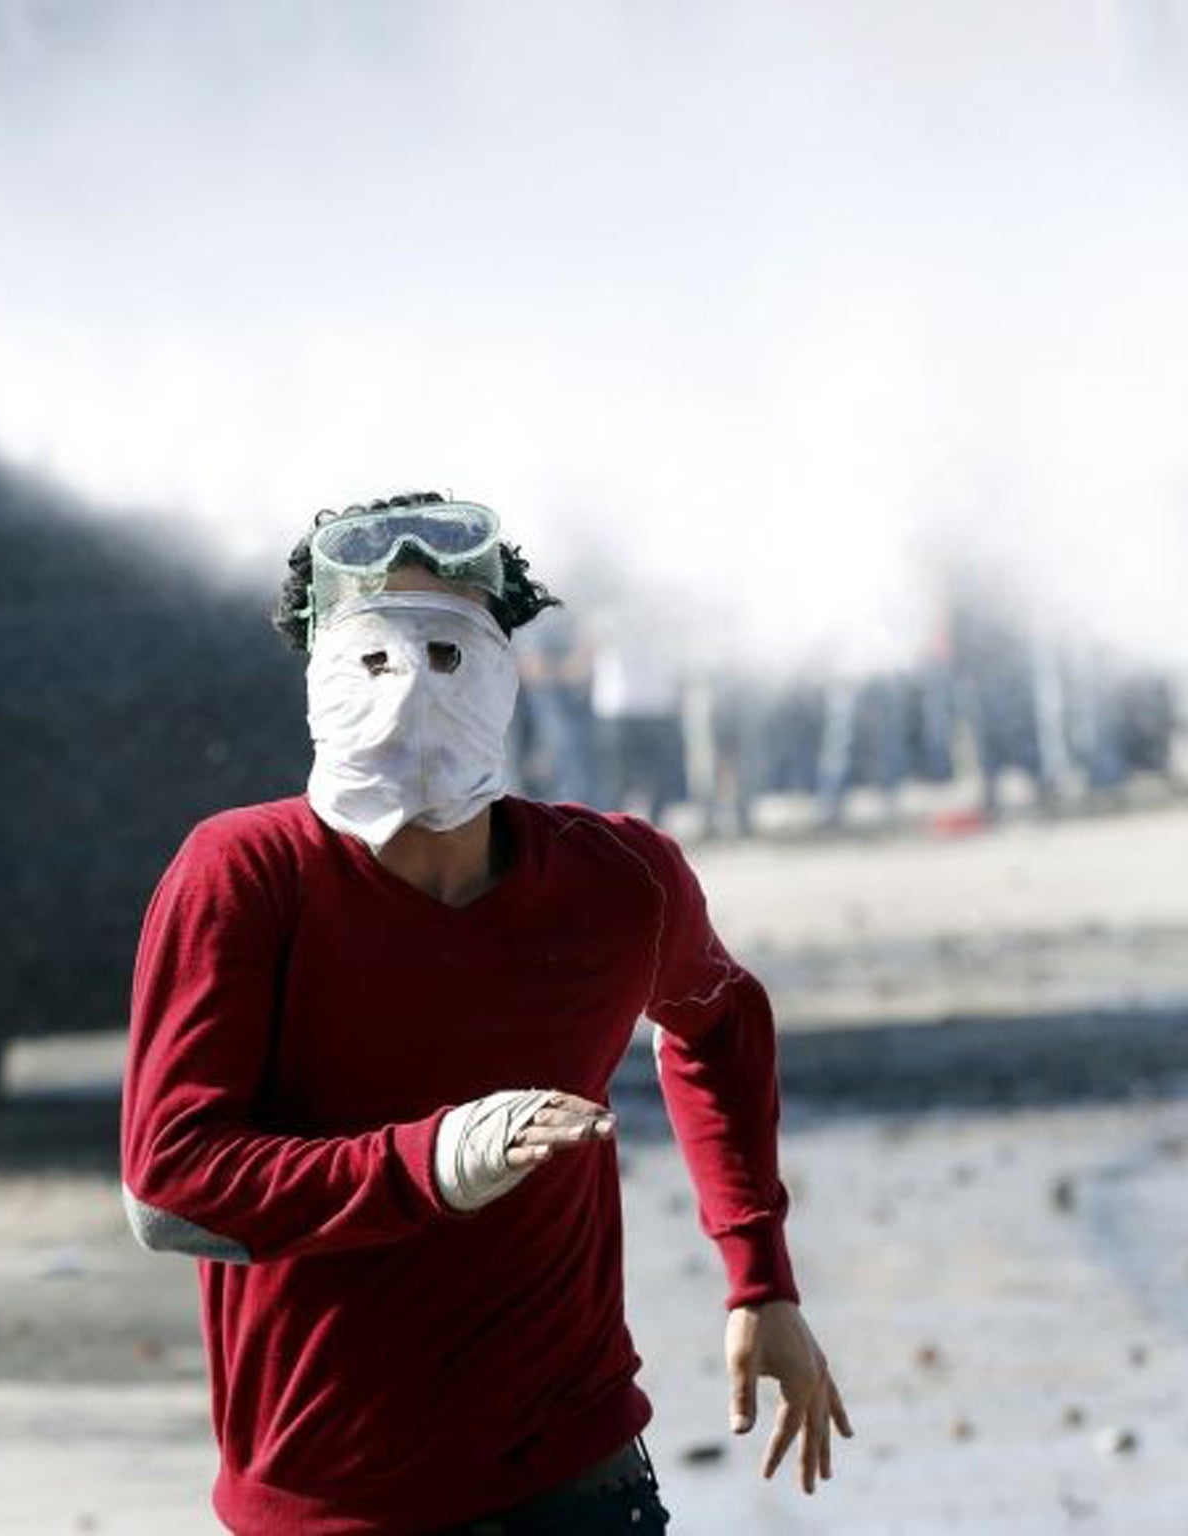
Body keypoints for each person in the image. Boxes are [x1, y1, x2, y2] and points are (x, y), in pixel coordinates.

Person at [119, 493, 849, 1533]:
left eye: (448, 649)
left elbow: (719, 1021)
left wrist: (759, 1276)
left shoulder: (616, 882)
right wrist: (439, 1160)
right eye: (376, 652)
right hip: (335, 1499)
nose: (413, 685)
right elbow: (168, 1186)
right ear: (320, 673)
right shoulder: (245, 875)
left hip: (578, 1481)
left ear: (505, 669)